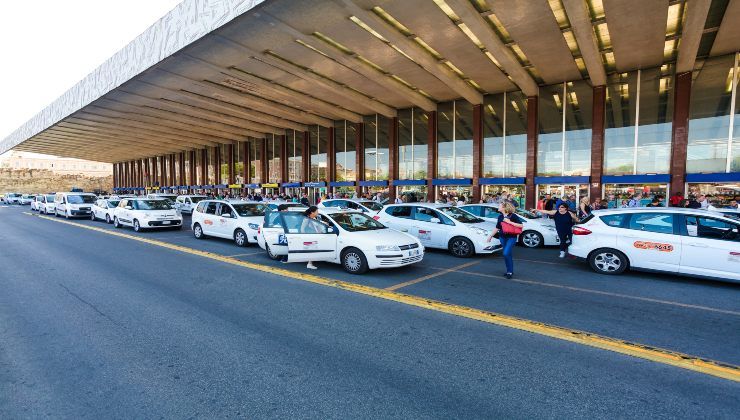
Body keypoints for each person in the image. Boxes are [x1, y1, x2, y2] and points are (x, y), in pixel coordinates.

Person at [486, 202, 523, 279]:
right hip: (502, 237)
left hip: (511, 237)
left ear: (504, 208)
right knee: (508, 255)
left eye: (499, 206)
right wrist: (490, 236)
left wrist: (509, 222)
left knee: (506, 253)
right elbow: (497, 228)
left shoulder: (513, 216)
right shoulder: (500, 217)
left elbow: (521, 225)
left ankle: (509, 271)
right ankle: (509, 271)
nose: (498, 207)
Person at [301, 206, 323, 270]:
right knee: (312, 250)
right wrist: (306, 237)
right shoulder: (306, 219)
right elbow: (302, 229)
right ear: (312, 212)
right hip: (309, 237)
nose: (318, 212)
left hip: (315, 236)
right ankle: (309, 264)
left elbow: (317, 227)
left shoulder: (315, 218)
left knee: (313, 250)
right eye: (317, 211)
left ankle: (310, 263)